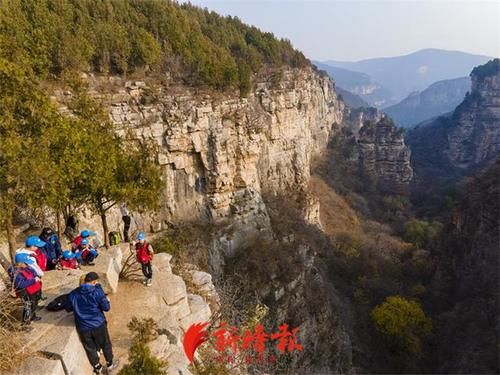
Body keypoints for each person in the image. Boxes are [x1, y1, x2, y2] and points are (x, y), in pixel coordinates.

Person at [65, 272, 118, 374]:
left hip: (83, 327)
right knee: (105, 344)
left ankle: (98, 367)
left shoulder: (73, 294)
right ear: (94, 282)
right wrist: (106, 300)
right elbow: (106, 308)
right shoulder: (97, 292)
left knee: (90, 348)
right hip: (98, 324)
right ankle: (110, 365)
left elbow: (68, 308)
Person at [8, 253, 42, 327]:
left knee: (34, 303)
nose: (27, 264)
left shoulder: (26, 267)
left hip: (33, 290)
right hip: (25, 292)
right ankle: (25, 323)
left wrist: (35, 276)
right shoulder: (15, 272)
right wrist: (33, 280)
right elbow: (21, 284)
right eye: (26, 263)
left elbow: (34, 273)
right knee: (28, 306)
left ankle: (33, 317)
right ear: (20, 263)